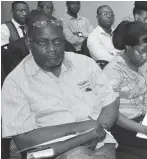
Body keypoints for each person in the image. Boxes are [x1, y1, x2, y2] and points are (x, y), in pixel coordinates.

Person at [2, 12, 119, 159]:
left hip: (101, 144)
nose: (52, 49)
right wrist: (83, 130)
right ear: (28, 42)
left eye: (58, 41)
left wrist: (99, 129)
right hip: (52, 152)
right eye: (42, 42)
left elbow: (110, 103)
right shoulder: (15, 82)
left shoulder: (85, 64)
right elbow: (23, 139)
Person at [103, 21, 147, 159]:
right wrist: (144, 130)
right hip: (124, 126)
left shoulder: (146, 66)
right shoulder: (113, 71)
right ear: (127, 47)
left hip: (146, 120)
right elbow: (112, 113)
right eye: (141, 52)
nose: (145, 57)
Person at [2, 10, 76, 81]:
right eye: (38, 26)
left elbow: (74, 67)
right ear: (26, 29)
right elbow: (17, 77)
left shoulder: (61, 43)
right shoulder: (14, 49)